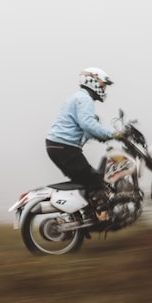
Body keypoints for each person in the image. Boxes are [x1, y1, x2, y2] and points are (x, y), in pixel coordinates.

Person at [45, 67, 124, 222]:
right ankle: (104, 216)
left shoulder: (78, 97)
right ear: (93, 81)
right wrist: (112, 134)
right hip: (64, 147)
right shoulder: (84, 99)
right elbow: (87, 124)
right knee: (94, 180)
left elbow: (85, 128)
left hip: (58, 146)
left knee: (86, 180)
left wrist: (101, 136)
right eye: (103, 85)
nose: (104, 89)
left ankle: (88, 212)